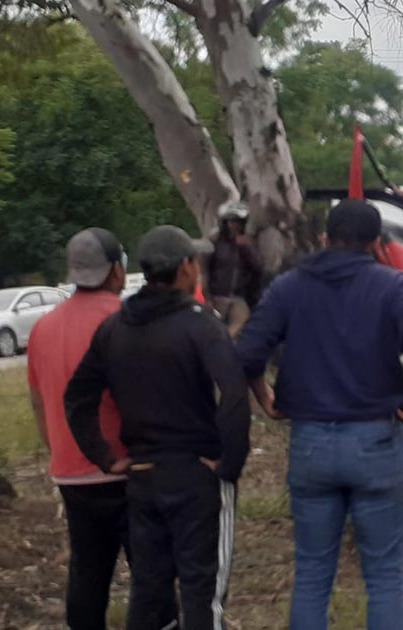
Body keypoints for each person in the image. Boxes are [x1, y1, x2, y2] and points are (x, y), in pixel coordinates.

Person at [236, 199, 403, 629]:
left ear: (324, 239)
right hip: (376, 442)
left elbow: (248, 354)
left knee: (313, 573)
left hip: (311, 442)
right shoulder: (396, 286)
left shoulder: (288, 287)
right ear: (376, 243)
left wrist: (264, 396)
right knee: (384, 575)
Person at [66, 225, 250, 628]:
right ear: (186, 268)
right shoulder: (201, 325)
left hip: (142, 478)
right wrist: (229, 464)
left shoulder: (115, 327)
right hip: (196, 477)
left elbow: (77, 397)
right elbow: (234, 396)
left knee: (149, 593)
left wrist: (104, 456)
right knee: (203, 593)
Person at [26, 229, 147, 630]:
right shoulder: (125, 320)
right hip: (123, 467)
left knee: (87, 572)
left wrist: (57, 447)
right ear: (116, 270)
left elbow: (40, 401)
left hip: (70, 471)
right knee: (148, 572)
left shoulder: (43, 327)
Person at [206, 200, 262, 338]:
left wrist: (247, 248)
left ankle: (225, 342)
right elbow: (205, 268)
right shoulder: (215, 241)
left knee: (242, 320)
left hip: (238, 296)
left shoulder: (249, 241)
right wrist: (207, 295)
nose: (234, 225)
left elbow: (258, 267)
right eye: (231, 221)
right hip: (217, 295)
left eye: (238, 221)